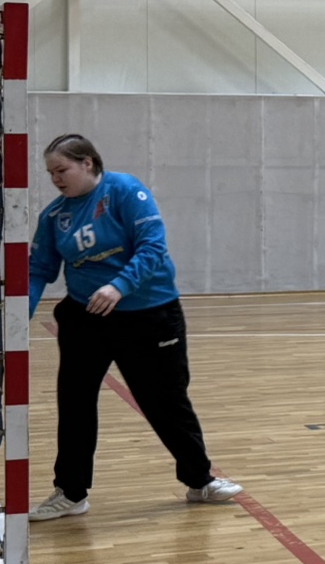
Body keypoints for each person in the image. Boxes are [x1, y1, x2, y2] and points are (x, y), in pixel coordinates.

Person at [23, 133, 242, 520]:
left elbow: (152, 246)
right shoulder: (55, 216)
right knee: (74, 403)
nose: (55, 179)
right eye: (50, 173)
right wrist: (16, 318)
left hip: (149, 315)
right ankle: (71, 492)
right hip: (86, 317)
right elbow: (39, 270)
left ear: (88, 163)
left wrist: (118, 286)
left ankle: (200, 481)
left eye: (62, 170)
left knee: (166, 401)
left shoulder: (124, 191)